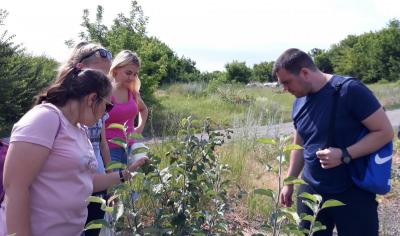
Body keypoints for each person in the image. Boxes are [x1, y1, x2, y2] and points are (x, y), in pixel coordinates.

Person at [0, 68, 147, 236]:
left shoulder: (79, 128)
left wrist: (125, 174)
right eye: (107, 106)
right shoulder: (45, 118)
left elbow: (83, 180)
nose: (106, 115)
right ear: (92, 99)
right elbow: (15, 187)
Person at [275, 48, 393, 236]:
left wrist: (344, 154)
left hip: (353, 192)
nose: (285, 89)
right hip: (311, 191)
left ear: (305, 73)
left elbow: (385, 132)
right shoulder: (299, 100)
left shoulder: (350, 90)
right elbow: (299, 146)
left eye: (287, 82)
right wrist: (289, 183)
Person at [67, 42, 113, 236]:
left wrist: (110, 177)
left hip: (98, 173)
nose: (101, 82)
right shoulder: (63, 108)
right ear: (79, 69)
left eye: (105, 76)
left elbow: (103, 142)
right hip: (76, 177)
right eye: (97, 74)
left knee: (94, 225)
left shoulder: (99, 104)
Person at [106, 50, 148, 165]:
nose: (132, 77)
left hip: (130, 147)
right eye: (128, 73)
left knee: (127, 181)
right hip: (109, 150)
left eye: (135, 74)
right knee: (114, 182)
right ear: (115, 70)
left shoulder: (133, 93)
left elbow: (143, 110)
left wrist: (139, 128)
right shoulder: (105, 93)